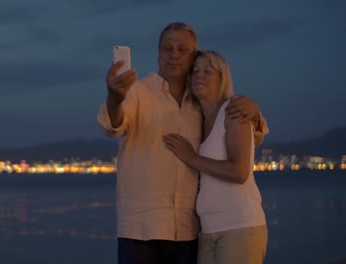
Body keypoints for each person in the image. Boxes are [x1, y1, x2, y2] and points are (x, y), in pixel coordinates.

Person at [97, 22, 268, 264]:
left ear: (192, 56)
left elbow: (252, 135)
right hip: (141, 230)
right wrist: (114, 96)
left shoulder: (200, 101)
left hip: (187, 232)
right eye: (167, 48)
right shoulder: (137, 92)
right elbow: (113, 124)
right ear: (158, 53)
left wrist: (254, 111)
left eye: (182, 49)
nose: (174, 55)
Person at [163, 50, 268, 264]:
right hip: (209, 231)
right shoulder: (197, 120)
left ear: (222, 78)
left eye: (208, 71)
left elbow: (239, 172)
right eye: (195, 71)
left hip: (238, 226)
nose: (199, 75)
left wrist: (191, 157)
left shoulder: (233, 111)